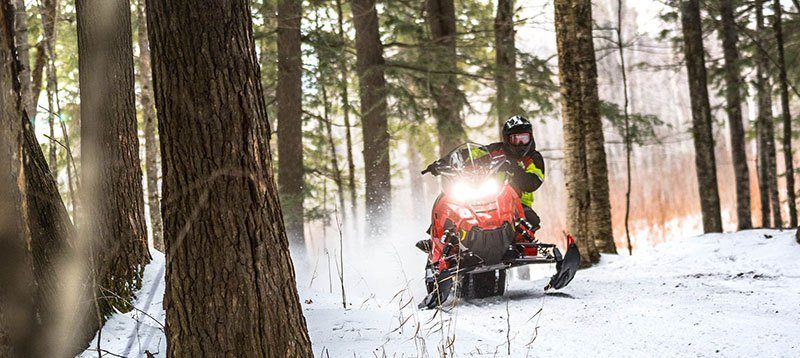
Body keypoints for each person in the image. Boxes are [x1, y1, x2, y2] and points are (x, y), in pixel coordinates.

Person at [425, 115, 545, 229]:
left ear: (530, 137)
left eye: (524, 139)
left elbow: (532, 183)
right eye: (515, 139)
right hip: (486, 196)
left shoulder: (533, 158)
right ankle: (439, 237)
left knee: (530, 221)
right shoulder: (496, 150)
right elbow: (471, 154)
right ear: (507, 138)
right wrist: (443, 162)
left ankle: (525, 248)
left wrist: (514, 168)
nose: (520, 143)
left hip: (517, 203)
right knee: (450, 204)